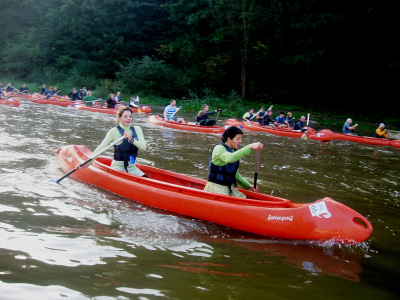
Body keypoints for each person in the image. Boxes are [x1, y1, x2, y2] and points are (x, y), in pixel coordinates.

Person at [78, 106, 147, 176]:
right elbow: (101, 148)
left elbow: (144, 147)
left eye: (130, 116)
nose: (128, 118)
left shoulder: (137, 129)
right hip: (118, 168)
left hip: (132, 168)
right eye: (125, 117)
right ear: (119, 118)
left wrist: (131, 139)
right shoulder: (114, 131)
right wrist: (87, 163)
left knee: (145, 180)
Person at [204, 126, 263, 198]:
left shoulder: (234, 151)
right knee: (227, 202)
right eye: (238, 139)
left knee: (244, 199)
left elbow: (234, 173)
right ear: (229, 139)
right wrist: (249, 146)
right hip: (215, 186)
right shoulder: (219, 148)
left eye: (241, 139)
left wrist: (247, 185)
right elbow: (229, 158)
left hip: (228, 187)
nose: (240, 141)